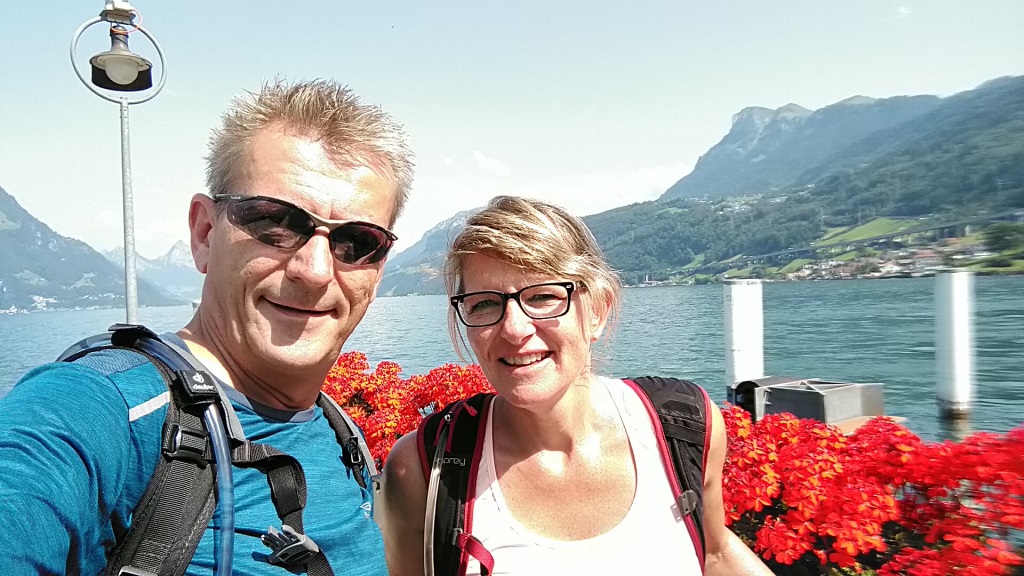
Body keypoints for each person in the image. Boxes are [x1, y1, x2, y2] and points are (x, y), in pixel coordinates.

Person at [0, 79, 414, 575]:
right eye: (276, 223)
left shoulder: (339, 434)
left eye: (358, 242)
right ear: (204, 233)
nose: (316, 271)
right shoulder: (103, 411)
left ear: (379, 270)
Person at [378, 195, 773, 575]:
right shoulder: (423, 470)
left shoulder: (684, 428)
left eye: (543, 296)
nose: (514, 329)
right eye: (484, 303)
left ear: (598, 310)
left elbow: (715, 553)